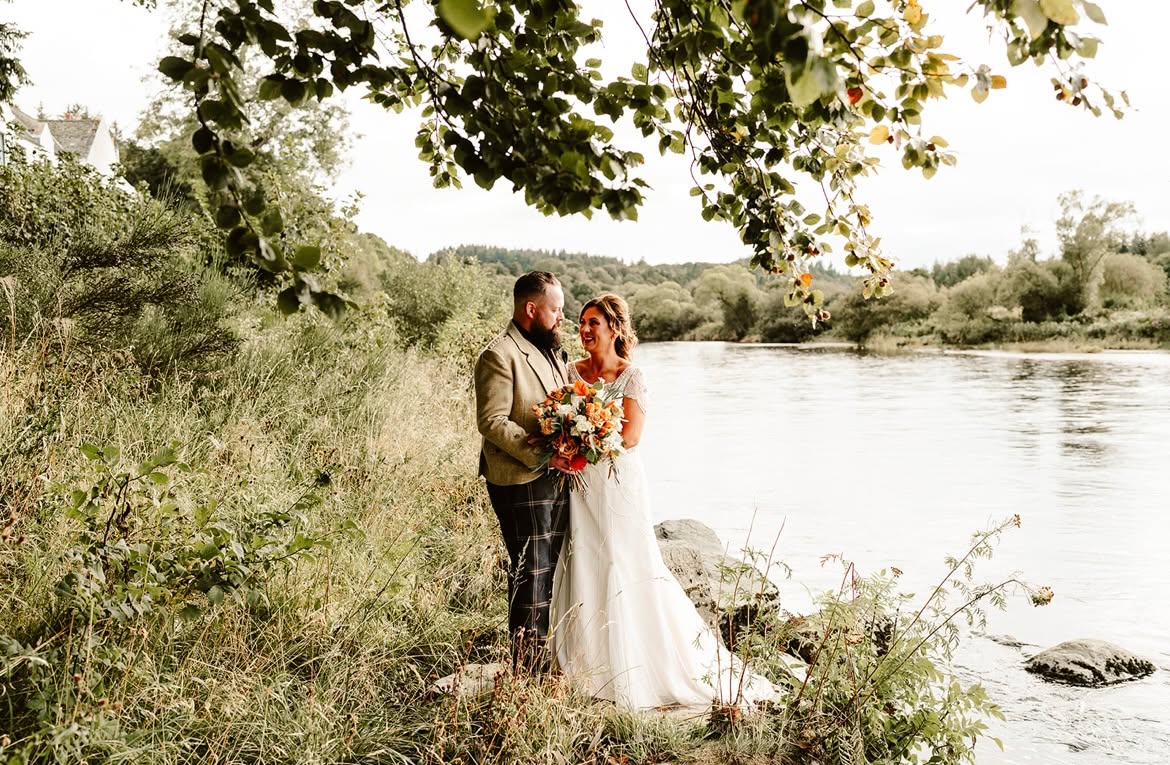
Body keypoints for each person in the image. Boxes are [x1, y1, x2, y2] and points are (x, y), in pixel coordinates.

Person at [550, 294, 779, 710]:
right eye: (581, 322)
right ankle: (584, 660)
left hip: (618, 482)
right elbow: (564, 421)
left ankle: (634, 663)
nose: (584, 330)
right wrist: (567, 446)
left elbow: (632, 437)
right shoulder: (571, 371)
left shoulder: (631, 375)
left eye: (593, 323)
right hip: (581, 482)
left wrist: (585, 444)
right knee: (582, 555)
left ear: (614, 328)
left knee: (623, 559)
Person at [474, 271, 575, 673]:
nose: (561, 318)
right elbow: (492, 421)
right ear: (531, 309)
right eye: (555, 309)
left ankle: (543, 660)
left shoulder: (552, 351)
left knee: (549, 569)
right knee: (529, 573)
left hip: (556, 476)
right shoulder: (498, 354)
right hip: (519, 479)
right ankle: (526, 671)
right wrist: (544, 457)